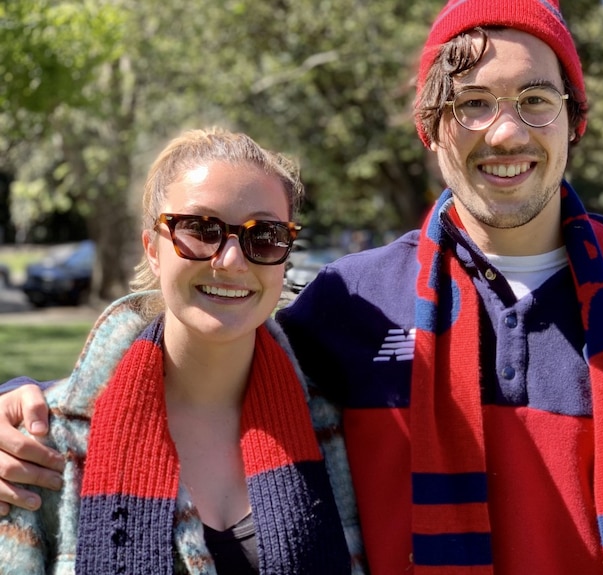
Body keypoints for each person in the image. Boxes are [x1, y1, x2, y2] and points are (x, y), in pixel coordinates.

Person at [0, 1, 603, 573]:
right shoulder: (350, 306)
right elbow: (205, 349)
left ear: (574, 120)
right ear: (430, 128)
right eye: (471, 103)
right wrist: (29, 404)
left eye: (536, 99)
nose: (507, 132)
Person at [0, 128, 362, 574]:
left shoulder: (337, 428)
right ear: (153, 249)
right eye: (200, 229)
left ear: (285, 255)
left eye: (264, 235)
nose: (230, 260)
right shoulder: (40, 445)